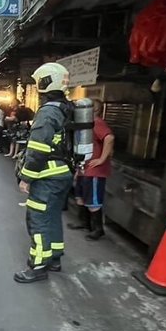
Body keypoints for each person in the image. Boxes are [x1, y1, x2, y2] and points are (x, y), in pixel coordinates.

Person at [14, 63, 74, 284]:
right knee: (53, 217)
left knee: (38, 220)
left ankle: (38, 266)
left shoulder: (48, 111)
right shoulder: (66, 108)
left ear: (44, 82)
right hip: (63, 175)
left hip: (47, 177)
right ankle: (55, 258)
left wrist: (26, 178)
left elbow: (38, 149)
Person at [70, 99, 114, 239]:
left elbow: (109, 138)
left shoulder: (97, 123)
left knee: (93, 200)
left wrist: (101, 159)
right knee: (80, 197)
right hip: (84, 167)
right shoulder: (86, 124)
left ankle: (97, 229)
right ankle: (85, 223)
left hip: (94, 170)